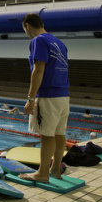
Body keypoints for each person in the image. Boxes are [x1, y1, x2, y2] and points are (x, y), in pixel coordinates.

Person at [18, 13, 70, 183]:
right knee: (59, 133)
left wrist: (30, 98)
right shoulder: (60, 43)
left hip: (48, 95)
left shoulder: (38, 41)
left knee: (47, 135)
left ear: (27, 26)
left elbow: (38, 69)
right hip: (63, 95)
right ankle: (55, 170)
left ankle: (42, 173)